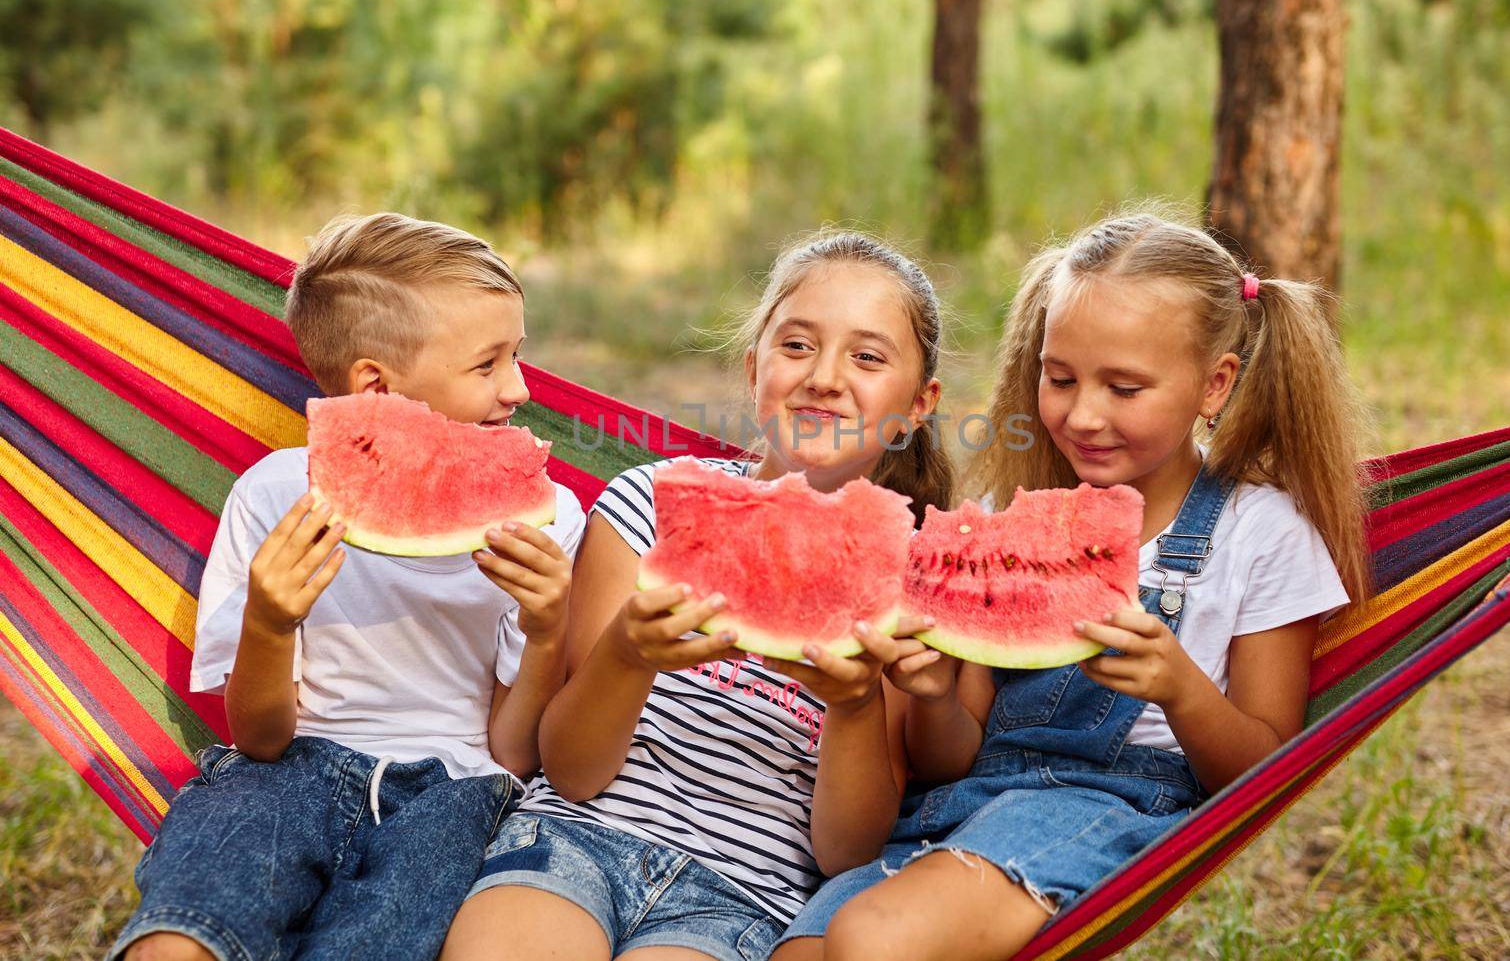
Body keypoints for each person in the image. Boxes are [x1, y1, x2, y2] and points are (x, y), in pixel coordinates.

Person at [776, 211, 1370, 961]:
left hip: (1106, 806)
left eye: (1124, 387)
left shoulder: (1260, 531)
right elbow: (953, 755)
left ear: (1214, 384)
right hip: (957, 804)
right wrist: (929, 694)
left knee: (870, 939)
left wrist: (1180, 687)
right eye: (1059, 378)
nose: (1082, 414)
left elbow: (1267, 771)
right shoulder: (1001, 521)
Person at [440, 231, 955, 961]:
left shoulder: (908, 578)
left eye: (867, 357)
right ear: (754, 370)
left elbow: (847, 850)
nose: (825, 377)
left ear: (918, 405)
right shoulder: (648, 505)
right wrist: (626, 652)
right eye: (797, 345)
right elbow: (572, 770)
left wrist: (856, 704)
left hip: (742, 895)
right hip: (570, 836)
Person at [111, 213, 584, 961]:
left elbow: (511, 751)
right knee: (177, 936)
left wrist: (549, 625)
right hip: (286, 773)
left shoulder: (549, 518)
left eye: (517, 355)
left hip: (455, 796)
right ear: (376, 386)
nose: (520, 388)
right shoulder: (276, 497)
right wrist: (269, 620)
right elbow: (259, 737)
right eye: (488, 363)